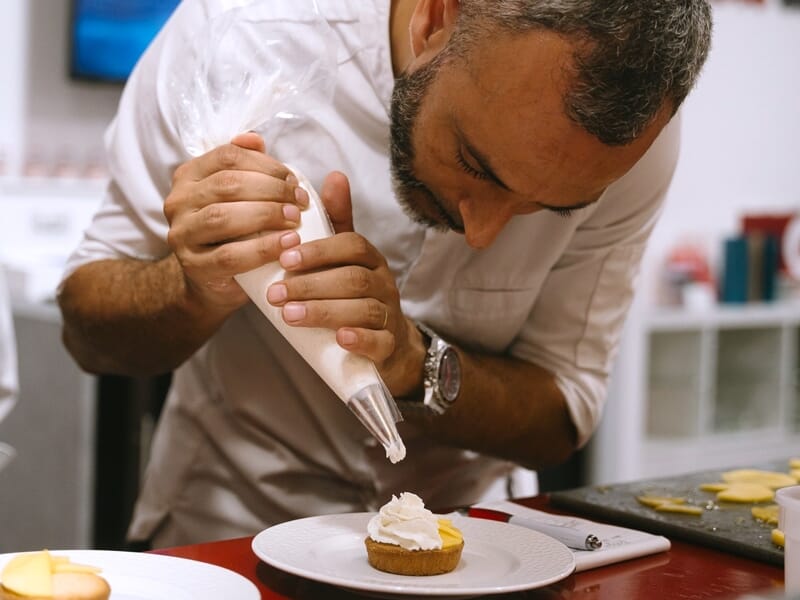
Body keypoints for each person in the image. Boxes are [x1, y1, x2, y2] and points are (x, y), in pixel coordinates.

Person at [57, 0, 712, 547]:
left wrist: (416, 363)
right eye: (478, 166)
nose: (485, 233)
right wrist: (193, 286)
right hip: (227, 531)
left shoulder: (631, 150)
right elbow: (87, 332)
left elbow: (560, 413)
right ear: (434, 18)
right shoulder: (241, 35)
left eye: (550, 208)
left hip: (473, 546)